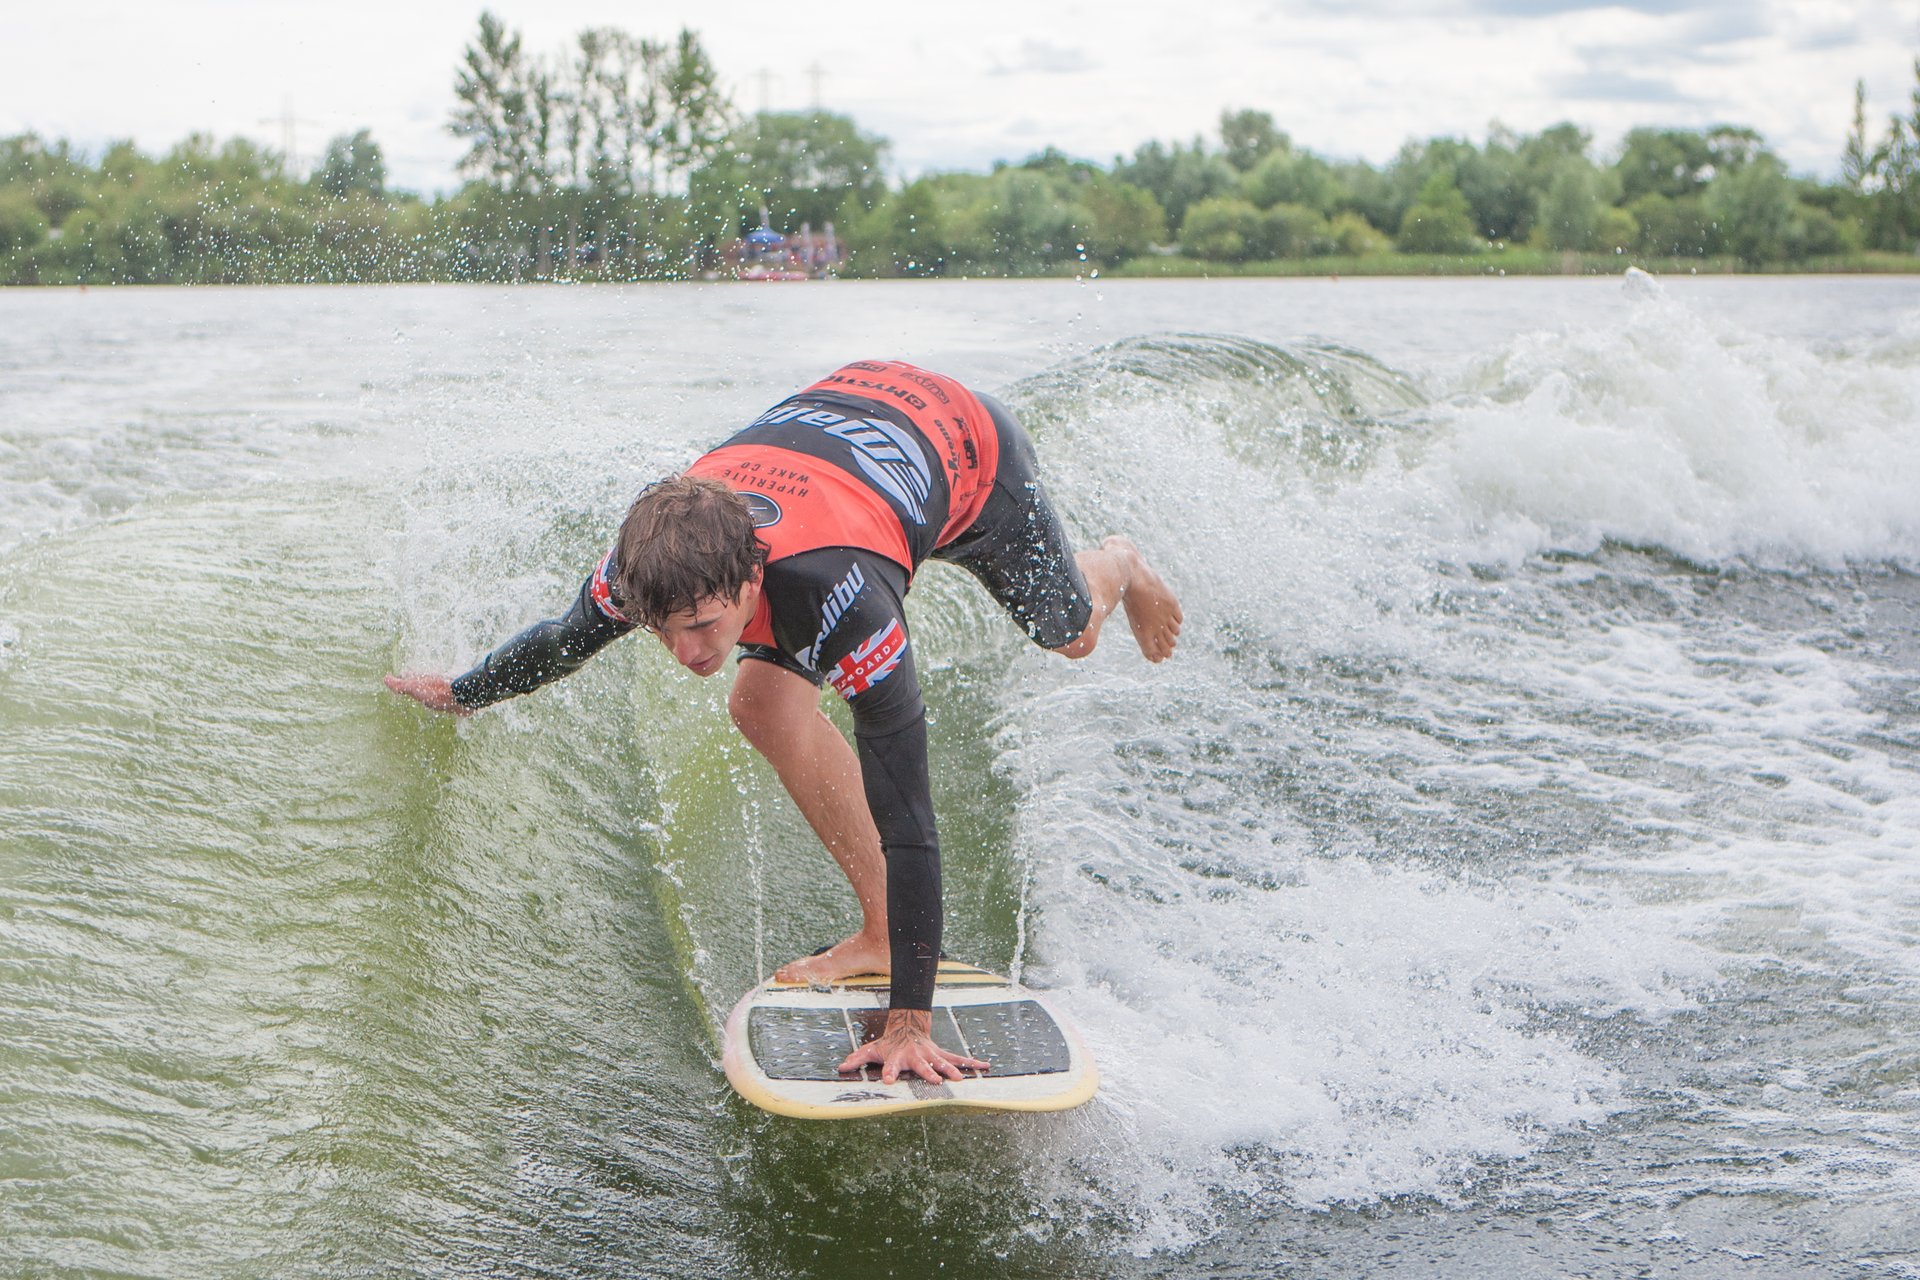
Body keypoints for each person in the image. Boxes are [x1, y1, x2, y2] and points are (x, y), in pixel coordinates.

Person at [386, 360, 1182, 1085]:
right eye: (663, 630)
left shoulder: (844, 596)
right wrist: (464, 692)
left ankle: (1116, 561)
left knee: (1071, 637)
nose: (684, 651)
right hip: (842, 428)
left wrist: (909, 1024)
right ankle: (879, 929)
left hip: (965, 448)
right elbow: (563, 643)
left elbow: (909, 814)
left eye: (702, 625)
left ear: (753, 575)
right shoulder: (646, 573)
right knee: (759, 703)